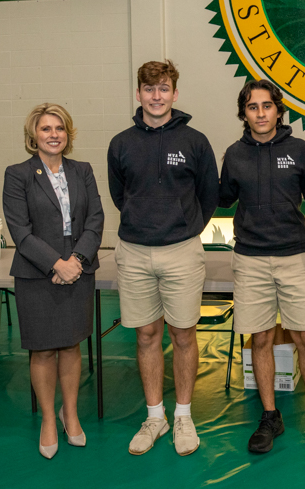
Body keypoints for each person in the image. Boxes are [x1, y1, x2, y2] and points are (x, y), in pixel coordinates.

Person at [217, 79, 305, 455]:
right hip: (250, 258)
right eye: (253, 107)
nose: (261, 113)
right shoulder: (234, 154)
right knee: (262, 339)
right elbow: (221, 196)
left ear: (278, 110)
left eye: (267, 106)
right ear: (244, 113)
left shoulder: (300, 149)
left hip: (295, 256)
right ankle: (270, 415)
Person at [107, 59, 219, 456]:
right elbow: (121, 196)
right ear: (138, 94)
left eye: (164, 88)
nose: (157, 96)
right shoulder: (121, 143)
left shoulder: (195, 141)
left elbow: (209, 197)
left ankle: (183, 415)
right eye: (149, 89)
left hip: (181, 251)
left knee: (184, 334)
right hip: (134, 251)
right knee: (146, 335)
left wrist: (182, 228)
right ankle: (155, 416)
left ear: (175, 93)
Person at [2, 103, 104, 459]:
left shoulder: (83, 171)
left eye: (59, 128)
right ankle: (48, 418)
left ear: (68, 133)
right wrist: (56, 265)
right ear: (33, 136)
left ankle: (70, 413)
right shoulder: (18, 175)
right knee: (44, 349)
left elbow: (95, 218)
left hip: (78, 268)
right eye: (46, 129)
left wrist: (76, 261)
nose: (53, 134)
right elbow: (20, 231)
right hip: (37, 272)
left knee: (72, 345)